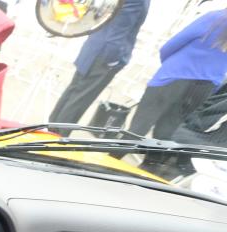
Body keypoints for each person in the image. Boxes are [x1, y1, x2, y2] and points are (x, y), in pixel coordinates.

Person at [48, 0, 150, 126]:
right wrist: (113, 59)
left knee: (73, 92)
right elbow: (120, 27)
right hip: (106, 53)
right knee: (79, 100)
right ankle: (57, 138)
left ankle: (50, 130)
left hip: (95, 45)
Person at [129, 10, 227, 140]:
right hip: (204, 88)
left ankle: (113, 157)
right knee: (166, 134)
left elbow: (172, 44)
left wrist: (168, 65)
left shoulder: (215, 18)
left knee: (137, 128)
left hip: (174, 76)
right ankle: (153, 160)